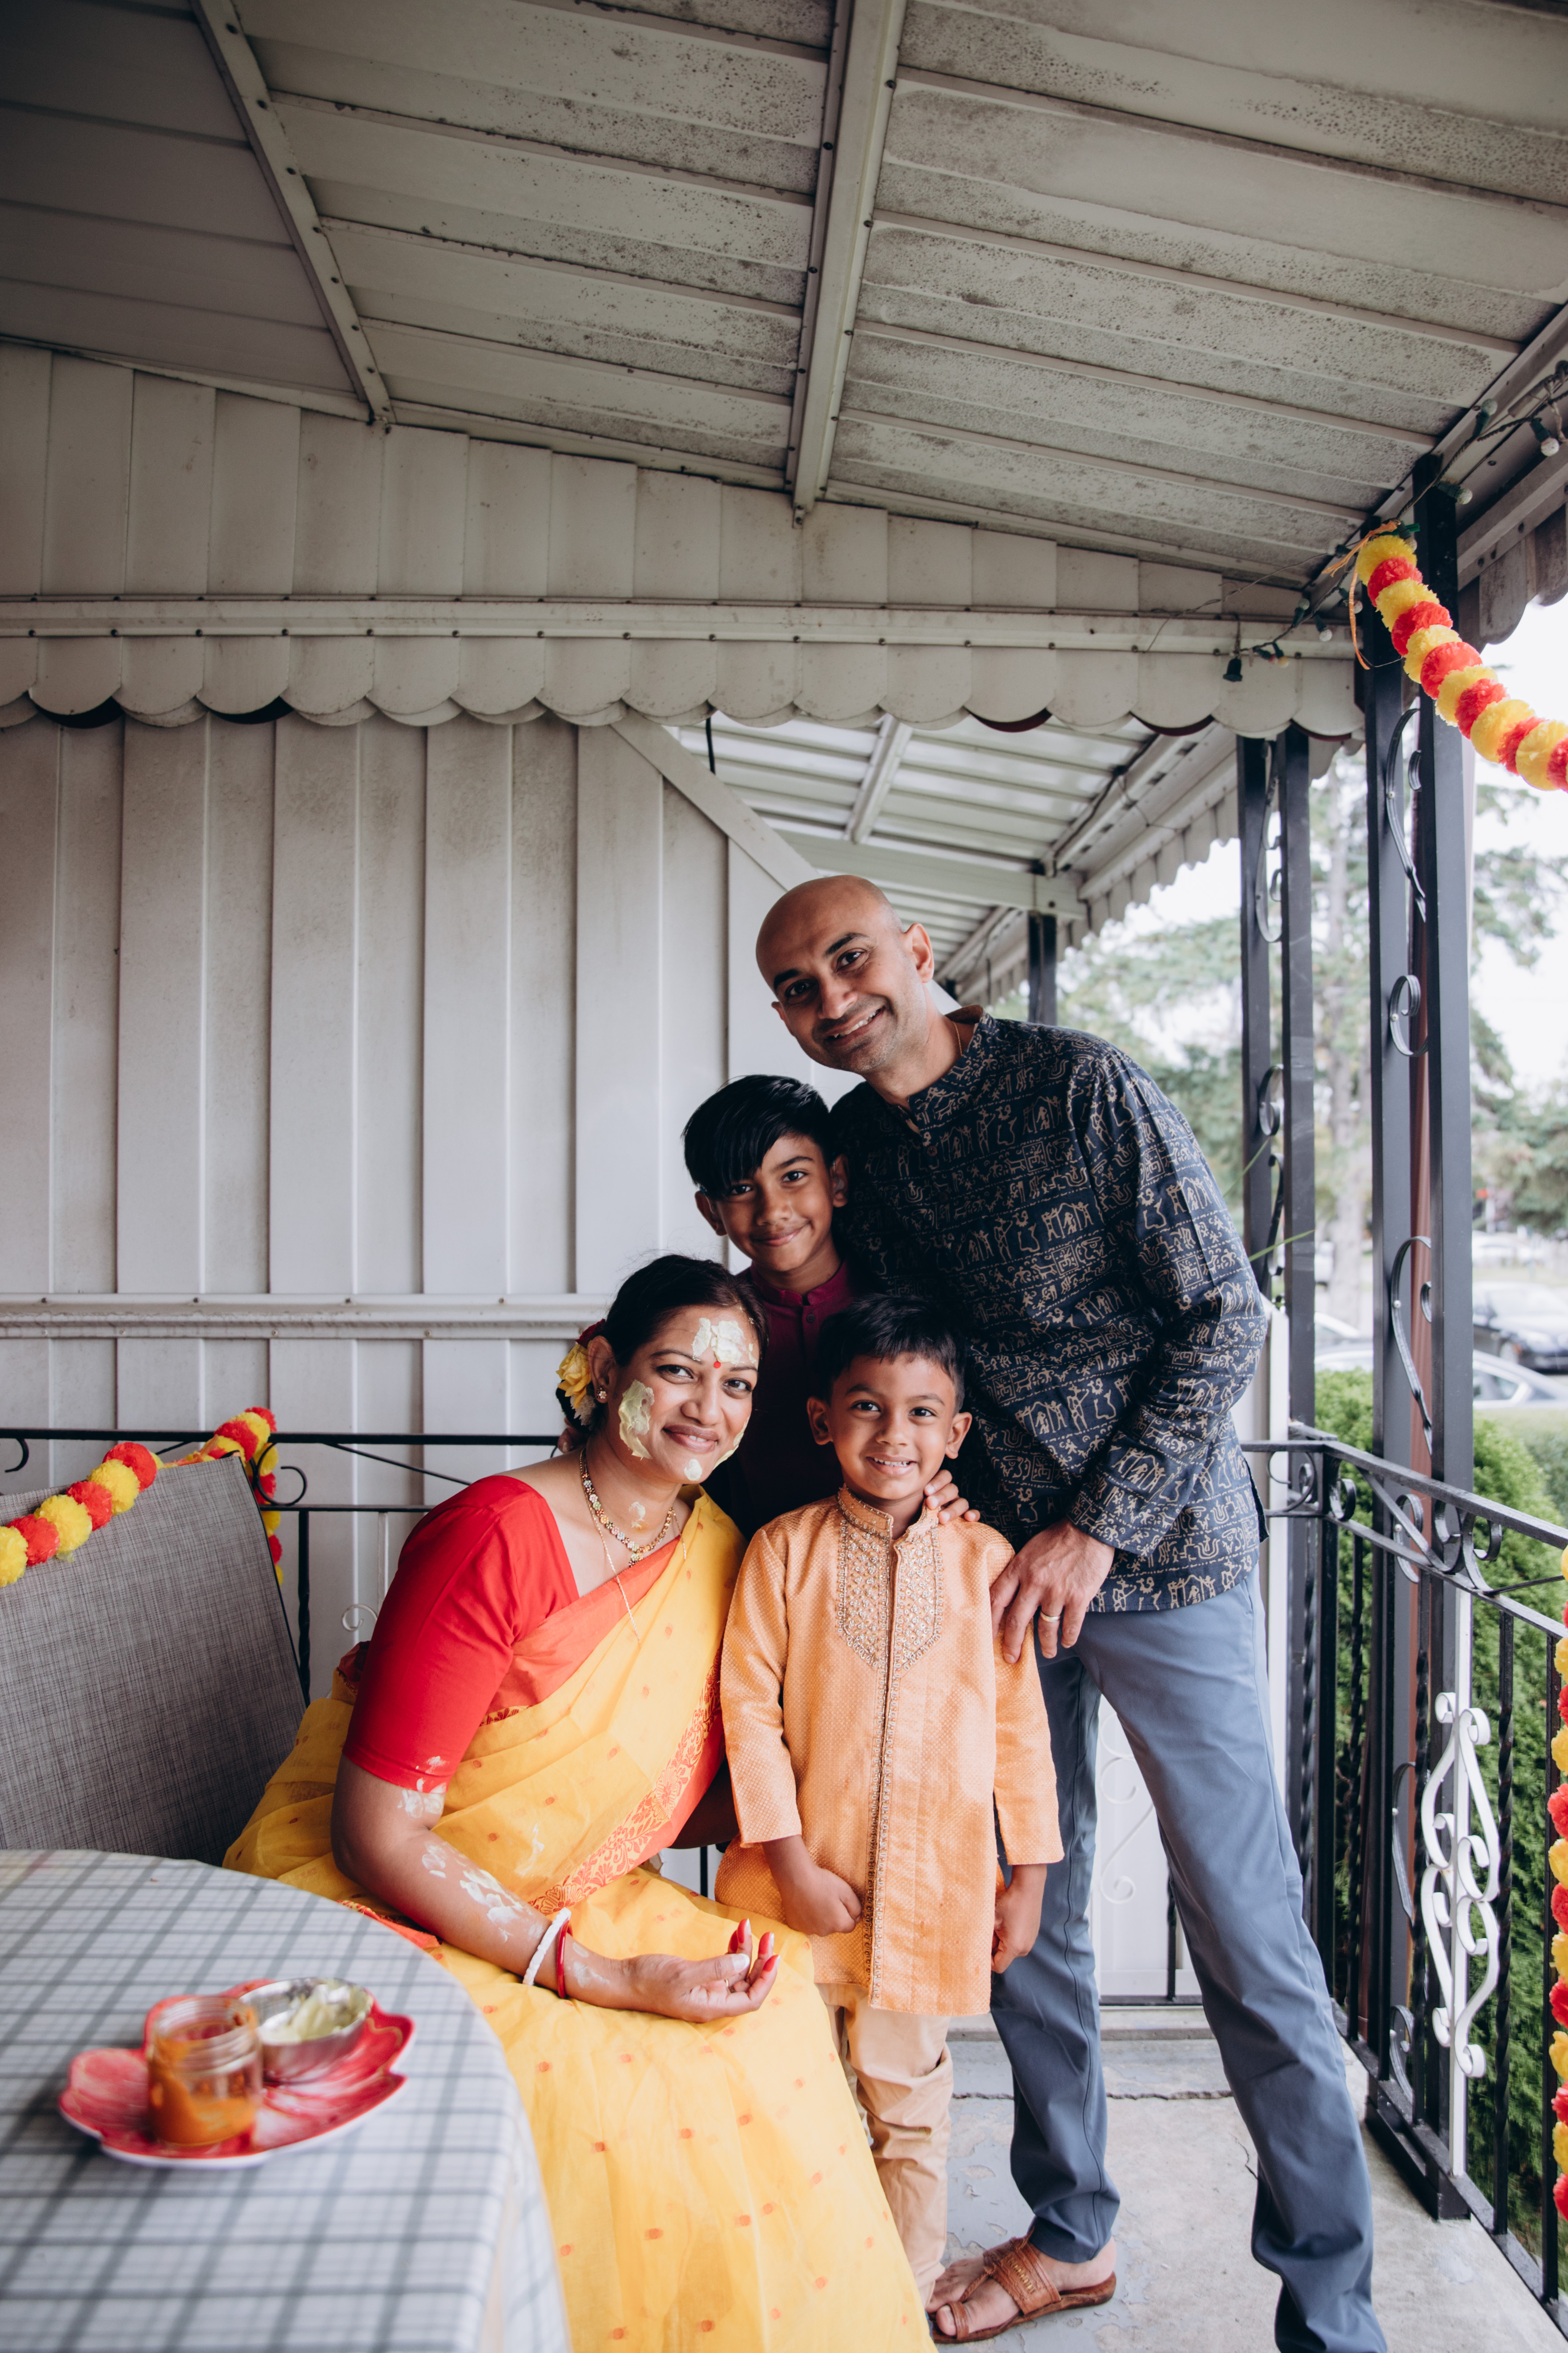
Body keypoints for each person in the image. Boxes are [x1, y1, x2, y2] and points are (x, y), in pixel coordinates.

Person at [754, 875, 1385, 2353]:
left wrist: (1096, 1529)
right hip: (983, 1584)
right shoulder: (854, 1155)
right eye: (795, 986)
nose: (832, 997)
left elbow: (1225, 1314)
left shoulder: (1080, 1086)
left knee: (1246, 1932)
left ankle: (1331, 2309)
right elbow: (849, 1337)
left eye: (850, 959)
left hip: (1160, 1564)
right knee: (1022, 1915)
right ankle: (1070, 2230)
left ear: (917, 953)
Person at [227, 1253, 929, 2350]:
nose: (707, 1407)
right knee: (636, 2094)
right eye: (677, 1369)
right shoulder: (497, 1533)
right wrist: (606, 1975)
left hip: (569, 1885)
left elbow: (662, 1792)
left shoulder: (712, 1545)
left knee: (771, 2008)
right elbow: (376, 1832)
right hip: (401, 1896)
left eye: (737, 1384)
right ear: (603, 1368)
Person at [717, 1294, 1064, 2310]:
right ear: (821, 1418)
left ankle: (896, 2300)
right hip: (795, 1893)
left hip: (931, 1899)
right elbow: (748, 1714)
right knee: (795, 2099)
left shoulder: (986, 1561)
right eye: (867, 1405)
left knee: (908, 2106)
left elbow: (1019, 1734)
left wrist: (1029, 1876)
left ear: (956, 1432)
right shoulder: (783, 1551)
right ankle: (809, 2292)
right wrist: (788, 1863)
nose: (892, 1433)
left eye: (921, 1412)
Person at [684, 1072, 980, 1543]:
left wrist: (938, 1487)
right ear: (710, 1212)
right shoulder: (706, 1327)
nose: (772, 1210)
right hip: (749, 1566)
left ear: (837, 1179)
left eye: (793, 1176)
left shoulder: (904, 1306)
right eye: (740, 1188)